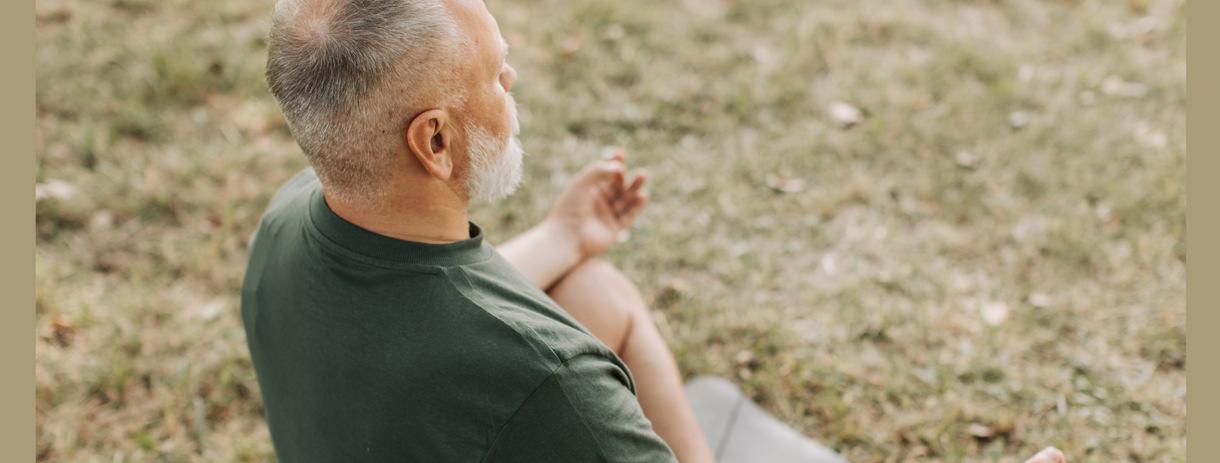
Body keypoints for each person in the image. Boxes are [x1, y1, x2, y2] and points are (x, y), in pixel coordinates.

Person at [242, 0, 1068, 461]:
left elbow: (416, 312)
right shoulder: (551, 385)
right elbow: (497, 353)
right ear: (434, 140)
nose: (513, 77)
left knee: (592, 288)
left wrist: (563, 236)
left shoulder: (287, 222)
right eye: (495, 73)